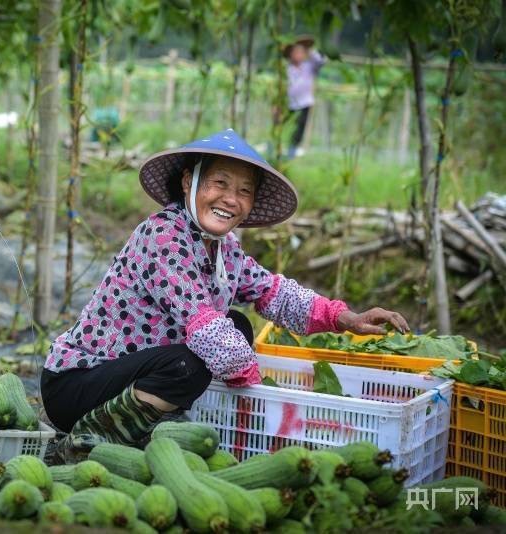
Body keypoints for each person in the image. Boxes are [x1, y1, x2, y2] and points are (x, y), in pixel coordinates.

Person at [41, 128, 409, 462]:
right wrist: (257, 391)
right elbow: (200, 320)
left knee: (237, 326)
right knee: (191, 362)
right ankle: (82, 445)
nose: (231, 199)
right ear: (189, 183)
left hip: (127, 379)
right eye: (220, 183)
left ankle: (148, 426)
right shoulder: (163, 234)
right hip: (77, 384)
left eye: (244, 191)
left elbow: (274, 294)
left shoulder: (224, 248)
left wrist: (347, 319)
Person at [284, 36, 326, 159]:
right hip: (289, 104)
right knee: (285, 127)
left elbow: (321, 62)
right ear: (290, 55)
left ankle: (291, 154)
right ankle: (281, 151)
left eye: (301, 52)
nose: (298, 55)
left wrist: (309, 50)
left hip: (304, 103)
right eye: (296, 52)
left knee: (298, 130)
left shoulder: (309, 67)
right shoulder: (287, 69)